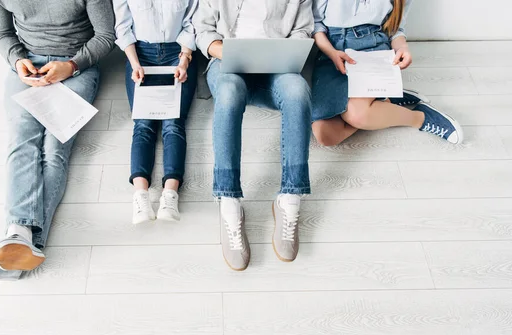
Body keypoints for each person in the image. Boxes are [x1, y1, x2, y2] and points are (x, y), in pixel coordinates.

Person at [0, 0, 116, 280]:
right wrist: (17, 61)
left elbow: (106, 35)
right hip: (28, 64)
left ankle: (18, 242)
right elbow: (2, 35)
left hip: (76, 65)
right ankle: (21, 239)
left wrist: (71, 66)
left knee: (55, 147)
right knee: (22, 140)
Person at [195, 0, 314, 271]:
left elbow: (303, 31)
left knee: (298, 92)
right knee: (227, 93)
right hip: (229, 65)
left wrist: (284, 53)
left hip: (278, 68)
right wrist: (226, 51)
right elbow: (203, 30)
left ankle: (290, 197)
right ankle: (229, 200)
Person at [311, 0, 464, 147]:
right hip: (332, 51)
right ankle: (386, 99)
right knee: (324, 133)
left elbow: (396, 28)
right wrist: (331, 52)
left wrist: (402, 48)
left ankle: (420, 118)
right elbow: (316, 25)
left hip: (374, 47)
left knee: (357, 114)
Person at [114, 0, 199, 224]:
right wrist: (134, 64)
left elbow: (192, 23)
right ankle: (141, 197)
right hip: (140, 54)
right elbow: (123, 27)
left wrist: (184, 60)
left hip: (178, 53)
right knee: (143, 124)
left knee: (174, 124)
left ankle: (170, 195)